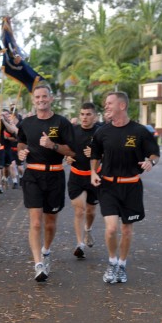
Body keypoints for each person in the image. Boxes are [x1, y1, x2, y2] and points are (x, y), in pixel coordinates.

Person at [90, 91, 160, 284]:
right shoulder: (102, 132)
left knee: (127, 230)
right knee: (111, 229)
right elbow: (95, 154)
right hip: (108, 186)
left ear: (122, 106)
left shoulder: (139, 131)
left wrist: (150, 163)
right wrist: (94, 172)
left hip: (131, 187)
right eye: (105, 104)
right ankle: (112, 262)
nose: (106, 107)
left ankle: (122, 265)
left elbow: (154, 154)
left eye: (109, 103)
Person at [17, 84, 75, 282]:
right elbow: (21, 142)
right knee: (35, 221)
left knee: (50, 223)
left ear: (51, 99)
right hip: (33, 174)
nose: (41, 100)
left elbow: (71, 151)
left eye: (44, 96)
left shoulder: (62, 122)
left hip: (55, 175)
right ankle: (38, 263)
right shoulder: (26, 123)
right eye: (37, 97)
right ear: (33, 100)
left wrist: (53, 145)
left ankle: (47, 251)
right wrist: (21, 152)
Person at [65, 102, 101, 259]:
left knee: (91, 210)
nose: (85, 117)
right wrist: (67, 157)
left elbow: (111, 153)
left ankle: (88, 229)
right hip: (76, 175)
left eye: (88, 114)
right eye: (82, 114)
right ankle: (80, 244)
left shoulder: (101, 132)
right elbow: (66, 148)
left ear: (95, 116)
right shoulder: (73, 131)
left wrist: (96, 153)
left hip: (95, 176)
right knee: (79, 210)